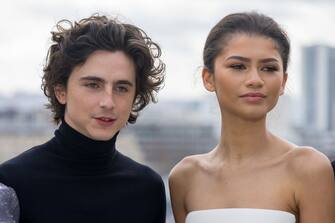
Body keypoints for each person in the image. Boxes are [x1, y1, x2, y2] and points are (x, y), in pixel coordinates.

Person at [169, 12, 335, 223]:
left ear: (283, 81)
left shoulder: (308, 168)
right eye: (238, 66)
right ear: (208, 78)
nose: (255, 80)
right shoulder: (184, 177)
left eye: (268, 68)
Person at [0, 14, 166, 223]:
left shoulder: (147, 189)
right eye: (93, 85)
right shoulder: (12, 183)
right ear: (61, 91)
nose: (108, 102)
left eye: (121, 88)